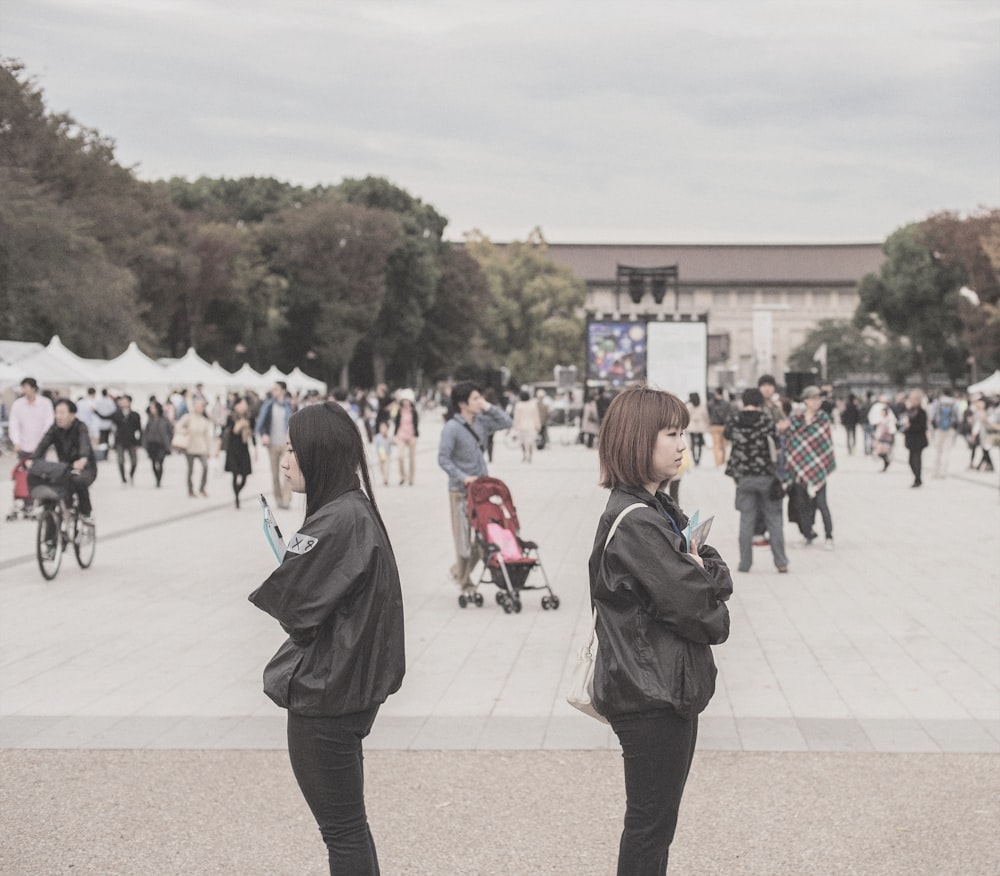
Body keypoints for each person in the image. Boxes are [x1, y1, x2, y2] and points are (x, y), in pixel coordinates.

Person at [248, 403, 404, 875]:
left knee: (342, 832)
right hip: (349, 688)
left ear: (320, 454)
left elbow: (296, 611)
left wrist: (290, 565)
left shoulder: (337, 520)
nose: (284, 459)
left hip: (327, 696)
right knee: (349, 827)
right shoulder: (353, 509)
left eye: (294, 449)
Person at [589, 386, 732, 875]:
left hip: (661, 688)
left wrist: (702, 573)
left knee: (654, 825)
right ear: (635, 439)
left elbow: (714, 575)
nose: (680, 444)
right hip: (651, 693)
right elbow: (706, 612)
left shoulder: (658, 509)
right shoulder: (636, 523)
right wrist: (703, 579)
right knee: (650, 827)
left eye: (683, 433)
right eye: (670, 433)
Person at [437, 381, 512, 595]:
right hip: (460, 491)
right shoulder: (451, 428)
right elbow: (443, 459)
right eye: (475, 399)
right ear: (462, 404)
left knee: (485, 538)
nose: (480, 401)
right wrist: (463, 477)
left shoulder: (482, 422)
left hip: (482, 491)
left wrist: (487, 406)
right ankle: (466, 584)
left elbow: (507, 422)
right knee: (463, 538)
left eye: (480, 397)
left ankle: (457, 571)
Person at [724, 388, 789, 573]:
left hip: (743, 477)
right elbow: (776, 445)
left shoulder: (734, 420)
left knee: (746, 520)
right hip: (766, 476)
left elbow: (727, 435)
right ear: (760, 402)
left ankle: (745, 563)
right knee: (774, 519)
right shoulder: (766, 420)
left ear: (743, 401)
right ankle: (781, 561)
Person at [29, 398, 97, 523]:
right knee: (50, 488)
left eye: (62, 413)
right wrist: (32, 459)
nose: (58, 416)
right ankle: (50, 538)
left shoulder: (80, 427)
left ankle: (86, 513)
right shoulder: (54, 428)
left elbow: (84, 443)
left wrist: (83, 458)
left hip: (86, 468)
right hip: (65, 468)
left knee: (78, 481)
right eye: (56, 413)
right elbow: (44, 444)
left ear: (72, 415)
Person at [785, 386, 837, 549]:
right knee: (801, 504)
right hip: (799, 467)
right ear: (806, 400)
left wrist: (823, 463)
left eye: (819, 399)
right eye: (814, 399)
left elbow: (826, 443)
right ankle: (807, 534)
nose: (817, 402)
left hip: (818, 468)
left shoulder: (823, 419)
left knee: (821, 503)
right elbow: (791, 441)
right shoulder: (796, 419)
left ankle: (829, 536)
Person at [255, 381, 294, 509]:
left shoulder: (290, 406)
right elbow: (262, 422)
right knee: (275, 473)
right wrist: (264, 434)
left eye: (276, 389)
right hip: (272, 444)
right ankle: (278, 498)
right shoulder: (268, 405)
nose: (274, 391)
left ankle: (286, 498)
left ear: (283, 390)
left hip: (285, 445)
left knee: (286, 472)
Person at [174, 397, 215, 498]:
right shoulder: (188, 417)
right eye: (199, 406)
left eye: (202, 406)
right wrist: (184, 431)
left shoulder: (204, 420)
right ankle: (190, 489)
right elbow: (178, 426)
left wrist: (209, 450)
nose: (200, 408)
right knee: (190, 470)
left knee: (205, 467)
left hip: (201, 447)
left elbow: (207, 436)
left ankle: (202, 488)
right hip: (190, 447)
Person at [8, 377, 54, 461]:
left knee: (40, 470)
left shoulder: (45, 403)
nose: (24, 390)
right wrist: (16, 441)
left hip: (40, 445)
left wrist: (44, 441)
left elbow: (49, 423)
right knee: (24, 472)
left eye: (26, 387)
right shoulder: (18, 404)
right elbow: (13, 424)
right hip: (23, 445)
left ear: (34, 388)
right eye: (23, 388)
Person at [221, 397, 256, 508]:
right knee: (235, 474)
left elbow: (252, 433)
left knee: (245, 475)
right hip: (233, 449)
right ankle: (236, 498)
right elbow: (230, 431)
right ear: (236, 405)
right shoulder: (231, 417)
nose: (243, 406)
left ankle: (238, 492)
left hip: (244, 449)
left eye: (245, 404)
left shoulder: (249, 417)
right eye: (241, 404)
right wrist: (240, 425)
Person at [928, 388, 960, 478]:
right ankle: (943, 472)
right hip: (950, 429)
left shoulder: (937, 402)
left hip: (938, 429)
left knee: (937, 451)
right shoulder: (955, 403)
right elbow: (959, 418)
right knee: (947, 451)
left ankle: (935, 471)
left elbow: (932, 416)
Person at [111, 394, 142, 484]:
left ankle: (131, 475)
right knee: (120, 461)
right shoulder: (117, 414)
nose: (123, 403)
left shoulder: (135, 415)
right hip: (120, 440)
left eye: (125, 401)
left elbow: (139, 429)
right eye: (122, 401)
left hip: (131, 440)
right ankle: (123, 477)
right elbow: (108, 420)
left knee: (134, 461)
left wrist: (139, 442)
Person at [900, 390, 928, 487]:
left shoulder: (922, 412)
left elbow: (922, 427)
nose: (911, 400)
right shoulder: (909, 411)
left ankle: (918, 479)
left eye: (913, 399)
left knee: (916, 460)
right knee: (911, 461)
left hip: (919, 440)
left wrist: (910, 426)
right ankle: (917, 478)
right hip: (911, 439)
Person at [142, 401, 173, 488]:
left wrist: (168, 441)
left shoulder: (164, 419)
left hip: (162, 444)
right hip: (152, 443)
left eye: (153, 408)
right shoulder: (150, 419)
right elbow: (146, 432)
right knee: (153, 462)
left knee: (160, 462)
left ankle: (159, 479)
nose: (152, 410)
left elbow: (170, 431)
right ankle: (157, 479)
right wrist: (145, 443)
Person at [393, 389, 419, 485]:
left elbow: (416, 423)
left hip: (411, 435)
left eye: (407, 400)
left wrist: (416, 434)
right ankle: (403, 476)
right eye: (404, 400)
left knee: (412, 458)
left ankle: (411, 478)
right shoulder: (399, 411)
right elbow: (396, 423)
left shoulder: (414, 412)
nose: (405, 402)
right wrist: (394, 434)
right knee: (400, 457)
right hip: (401, 434)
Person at [512, 390, 542, 462]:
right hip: (531, 426)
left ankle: (524, 454)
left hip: (521, 426)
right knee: (530, 442)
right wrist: (538, 425)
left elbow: (516, 417)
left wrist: (515, 427)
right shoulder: (533, 405)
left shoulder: (518, 405)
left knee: (522, 442)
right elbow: (536, 416)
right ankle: (530, 455)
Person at [706, 387, 732, 467]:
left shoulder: (711, 403)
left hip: (714, 425)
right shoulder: (727, 403)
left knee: (716, 445)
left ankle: (717, 462)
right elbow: (729, 415)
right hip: (724, 425)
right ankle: (723, 460)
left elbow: (709, 414)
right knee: (724, 445)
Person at [684, 392, 709, 465]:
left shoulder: (688, 405)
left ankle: (694, 459)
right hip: (701, 425)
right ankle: (698, 459)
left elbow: (687, 415)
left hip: (692, 425)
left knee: (692, 443)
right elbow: (705, 416)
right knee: (700, 443)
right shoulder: (702, 405)